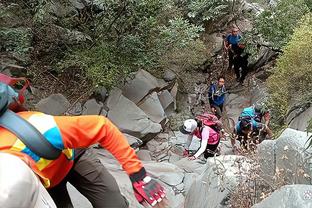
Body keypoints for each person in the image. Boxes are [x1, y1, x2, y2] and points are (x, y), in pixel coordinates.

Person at [0, 111, 166, 207]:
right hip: (46, 183)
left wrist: (138, 175)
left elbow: (103, 127)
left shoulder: (43, 129)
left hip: (73, 157)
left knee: (114, 205)